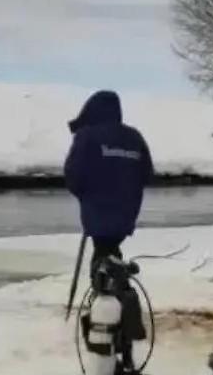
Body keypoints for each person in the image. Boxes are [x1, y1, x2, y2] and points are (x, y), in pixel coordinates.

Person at [64, 90, 154, 274]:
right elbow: (147, 173)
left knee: (103, 253)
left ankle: (106, 292)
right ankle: (118, 289)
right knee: (110, 249)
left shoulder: (87, 135)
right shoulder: (134, 137)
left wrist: (85, 194)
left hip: (97, 209)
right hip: (127, 211)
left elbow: (73, 173)